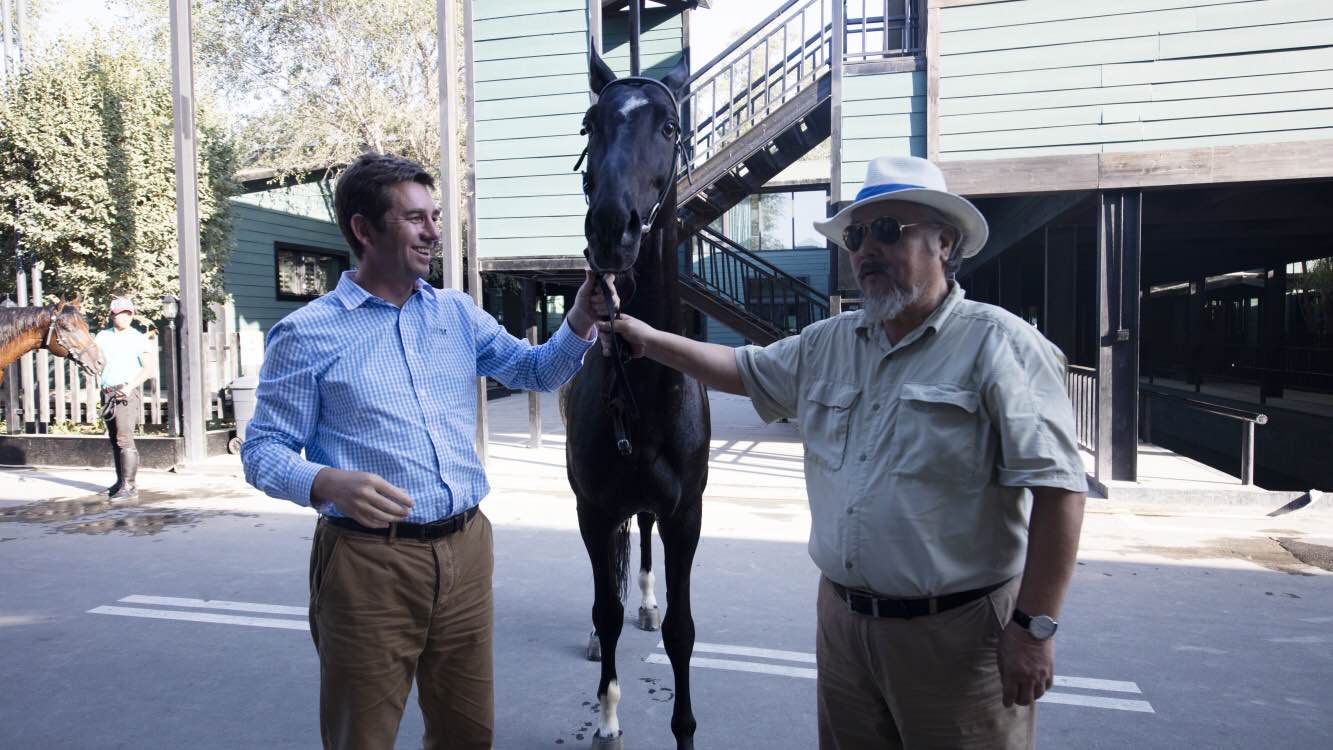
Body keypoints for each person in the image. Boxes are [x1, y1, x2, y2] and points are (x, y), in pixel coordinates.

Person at [594, 155, 1087, 749]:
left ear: (945, 242)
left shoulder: (1001, 346)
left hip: (956, 639)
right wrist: (648, 340)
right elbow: (740, 368)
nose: (867, 249)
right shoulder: (830, 343)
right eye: (856, 236)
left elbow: (1060, 491)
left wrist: (1033, 628)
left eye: (888, 231)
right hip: (845, 631)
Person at [240, 152, 609, 750]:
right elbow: (262, 450)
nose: (434, 232)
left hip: (467, 547)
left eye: (435, 217)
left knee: (468, 734)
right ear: (364, 230)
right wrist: (326, 482)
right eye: (416, 218)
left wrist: (581, 318)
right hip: (368, 563)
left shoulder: (455, 313)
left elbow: (535, 370)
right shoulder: (307, 333)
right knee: (362, 737)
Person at [95, 296, 153, 500]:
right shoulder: (102, 336)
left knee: (124, 439)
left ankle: (129, 486)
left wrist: (129, 387)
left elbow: (148, 369)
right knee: (114, 439)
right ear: (112, 315)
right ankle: (120, 481)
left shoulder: (138, 338)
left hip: (126, 393)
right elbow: (95, 360)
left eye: (128, 313)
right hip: (108, 392)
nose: (125, 317)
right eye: (120, 313)